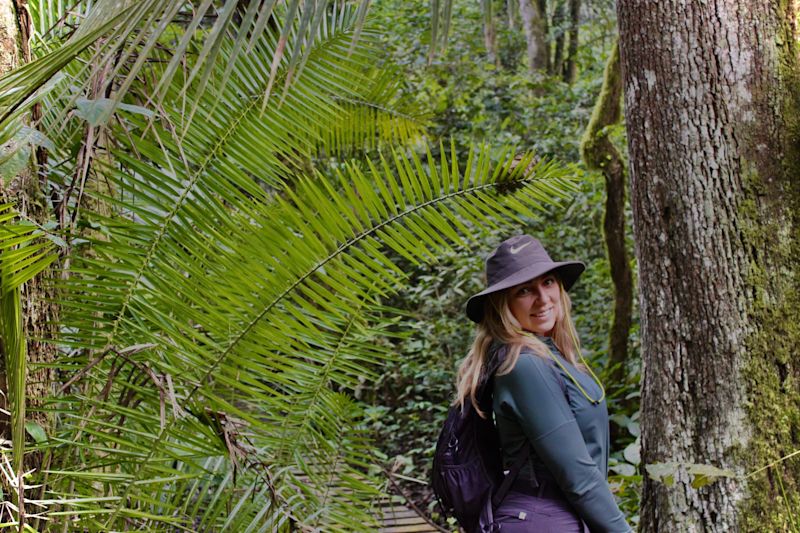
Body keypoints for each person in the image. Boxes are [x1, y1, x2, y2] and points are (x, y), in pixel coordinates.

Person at [455, 235, 632, 532]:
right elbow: (579, 476)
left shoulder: (551, 357)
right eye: (524, 290)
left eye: (548, 282)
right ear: (503, 305)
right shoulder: (524, 365)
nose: (543, 298)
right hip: (542, 520)